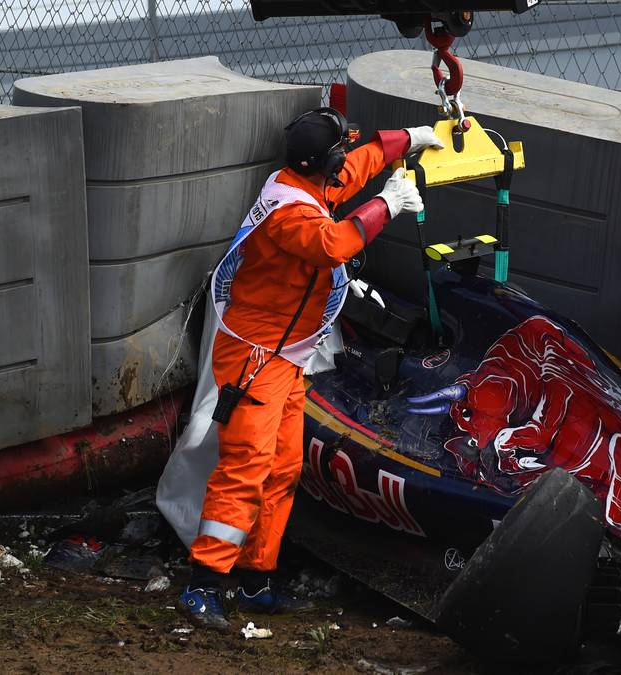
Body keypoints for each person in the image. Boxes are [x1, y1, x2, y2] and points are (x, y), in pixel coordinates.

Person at [178, 107, 443, 630]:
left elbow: (360, 164)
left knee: (282, 468)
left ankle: (256, 579)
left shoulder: (307, 182)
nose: (345, 157)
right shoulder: (289, 213)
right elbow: (333, 245)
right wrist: (387, 205)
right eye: (337, 149)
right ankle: (203, 584)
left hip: (285, 357)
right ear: (321, 161)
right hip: (256, 358)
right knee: (246, 468)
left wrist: (410, 138)